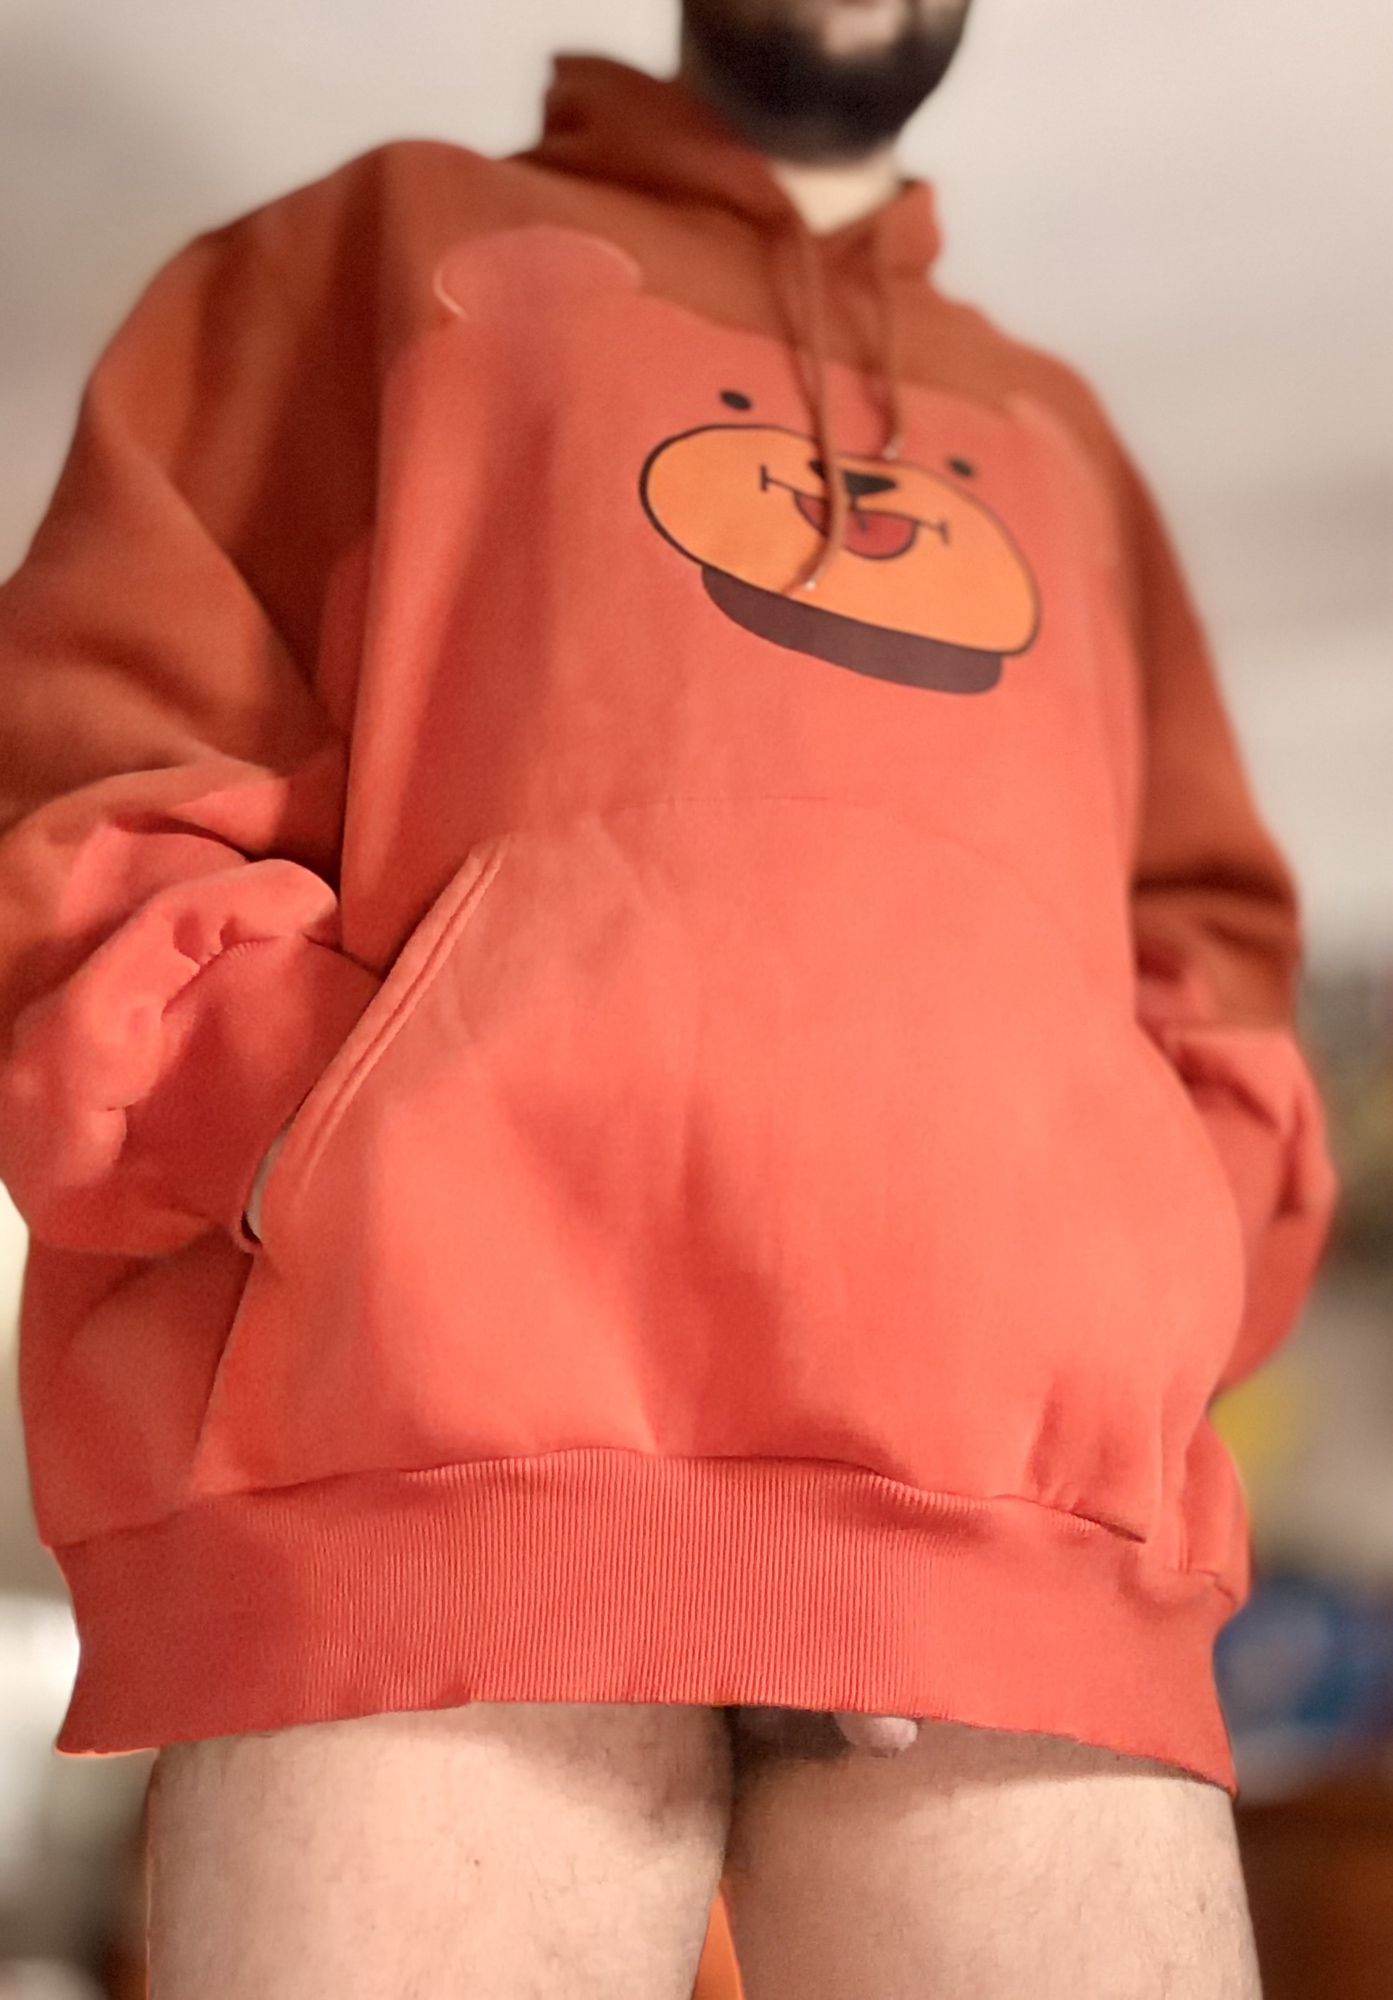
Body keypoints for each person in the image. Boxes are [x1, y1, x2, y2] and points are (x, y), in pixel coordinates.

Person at [0, 0, 1337, 1993]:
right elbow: (98, 791)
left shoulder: (1057, 435)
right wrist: (350, 1154)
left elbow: (1205, 957)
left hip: (1013, 1524)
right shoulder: (371, 254)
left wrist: (1111, 1287)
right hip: (419, 1459)